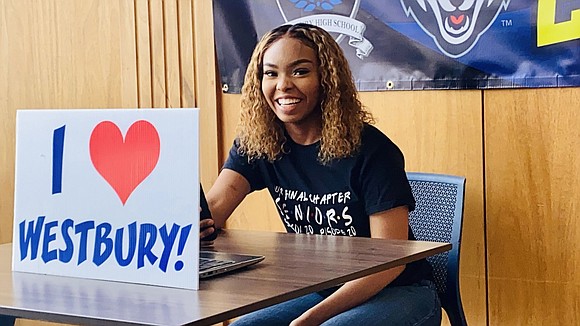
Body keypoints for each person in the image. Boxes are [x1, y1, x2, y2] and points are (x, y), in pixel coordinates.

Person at [200, 23, 441, 326]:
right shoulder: (259, 144)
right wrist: (190, 226)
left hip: (401, 290)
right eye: (271, 73)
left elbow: (390, 263)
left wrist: (313, 317)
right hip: (323, 289)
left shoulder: (373, 151)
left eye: (299, 71)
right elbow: (214, 210)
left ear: (327, 79)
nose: (283, 84)